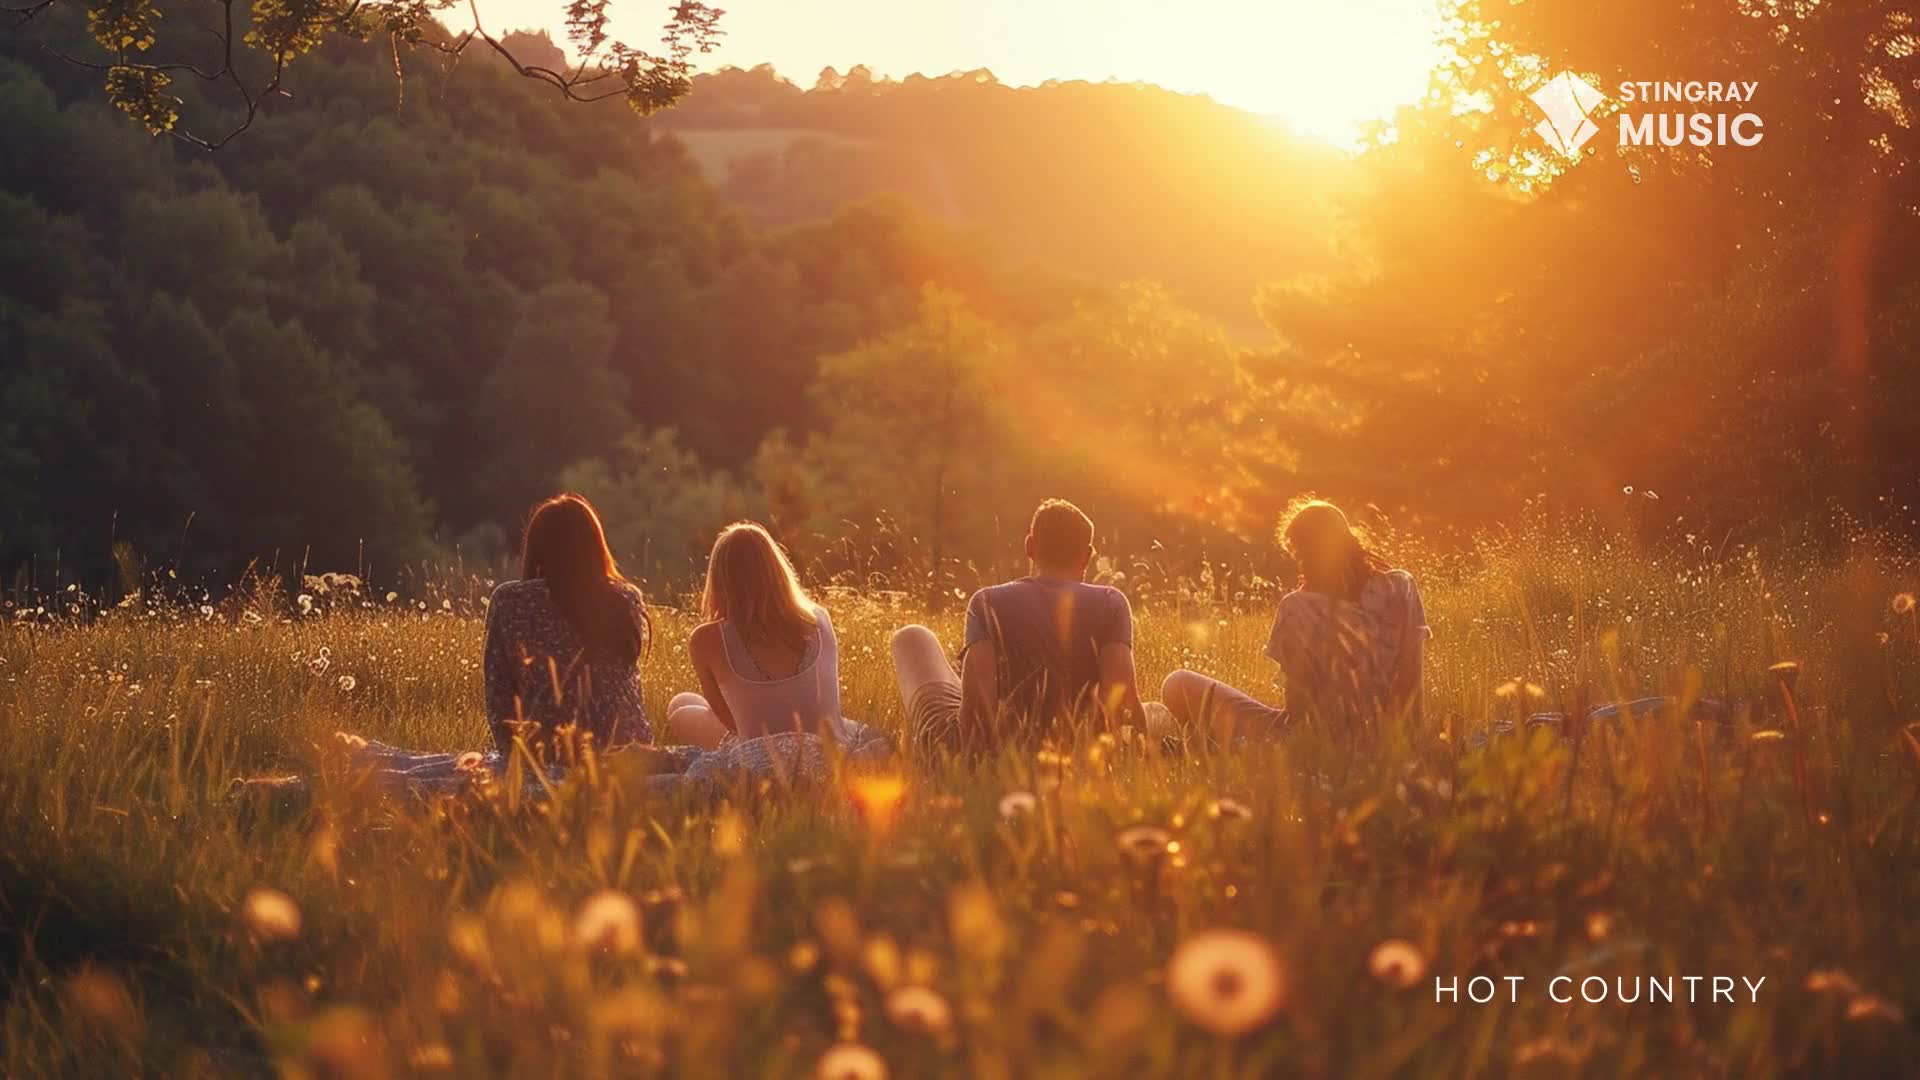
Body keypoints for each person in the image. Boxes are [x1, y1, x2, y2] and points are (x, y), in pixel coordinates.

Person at [1159, 498, 1429, 742]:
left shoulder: (1298, 607)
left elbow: (1299, 713)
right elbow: (1412, 687)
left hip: (1313, 746)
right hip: (1392, 742)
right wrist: (1408, 743)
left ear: (1304, 553)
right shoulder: (1400, 586)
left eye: (1298, 553)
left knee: (1178, 682)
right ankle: (1208, 745)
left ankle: (1208, 746)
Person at [890, 498, 1145, 755]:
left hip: (990, 749)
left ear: (1029, 546)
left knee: (912, 637)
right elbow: (1121, 699)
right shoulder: (1112, 603)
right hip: (1085, 750)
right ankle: (958, 671)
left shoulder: (987, 601)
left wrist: (981, 761)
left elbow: (976, 715)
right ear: (1088, 555)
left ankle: (956, 674)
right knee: (1155, 711)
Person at [483, 493, 653, 755]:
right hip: (630, 752)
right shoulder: (625, 598)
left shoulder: (510, 601)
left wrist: (515, 759)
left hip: (549, 751)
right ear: (596, 546)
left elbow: (499, 696)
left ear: (537, 548)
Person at [665, 522, 851, 749]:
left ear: (720, 579)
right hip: (829, 750)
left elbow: (732, 724)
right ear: (777, 571)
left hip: (761, 755)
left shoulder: (706, 639)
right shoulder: (819, 618)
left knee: (681, 708)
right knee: (687, 701)